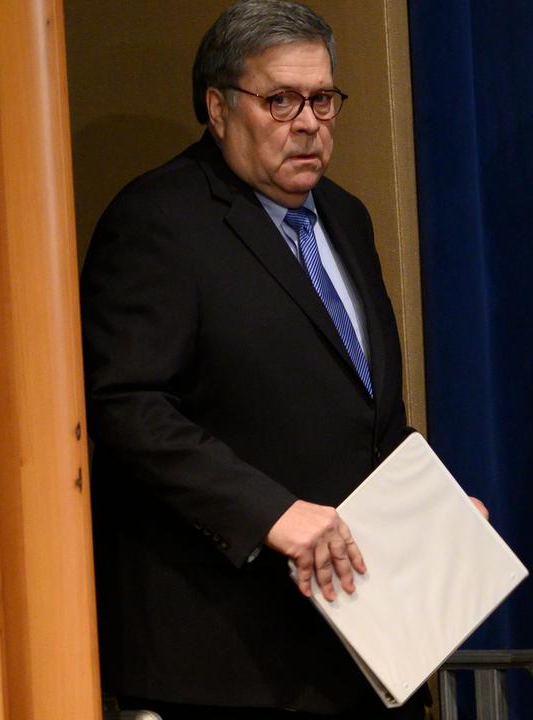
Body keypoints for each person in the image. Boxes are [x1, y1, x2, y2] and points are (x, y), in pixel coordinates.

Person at [80, 2, 484, 717]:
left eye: (322, 99)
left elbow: (368, 415)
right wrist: (273, 513)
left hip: (366, 646)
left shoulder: (347, 217)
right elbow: (124, 406)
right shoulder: (158, 222)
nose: (308, 123)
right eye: (279, 100)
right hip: (231, 660)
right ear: (218, 106)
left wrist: (438, 513)